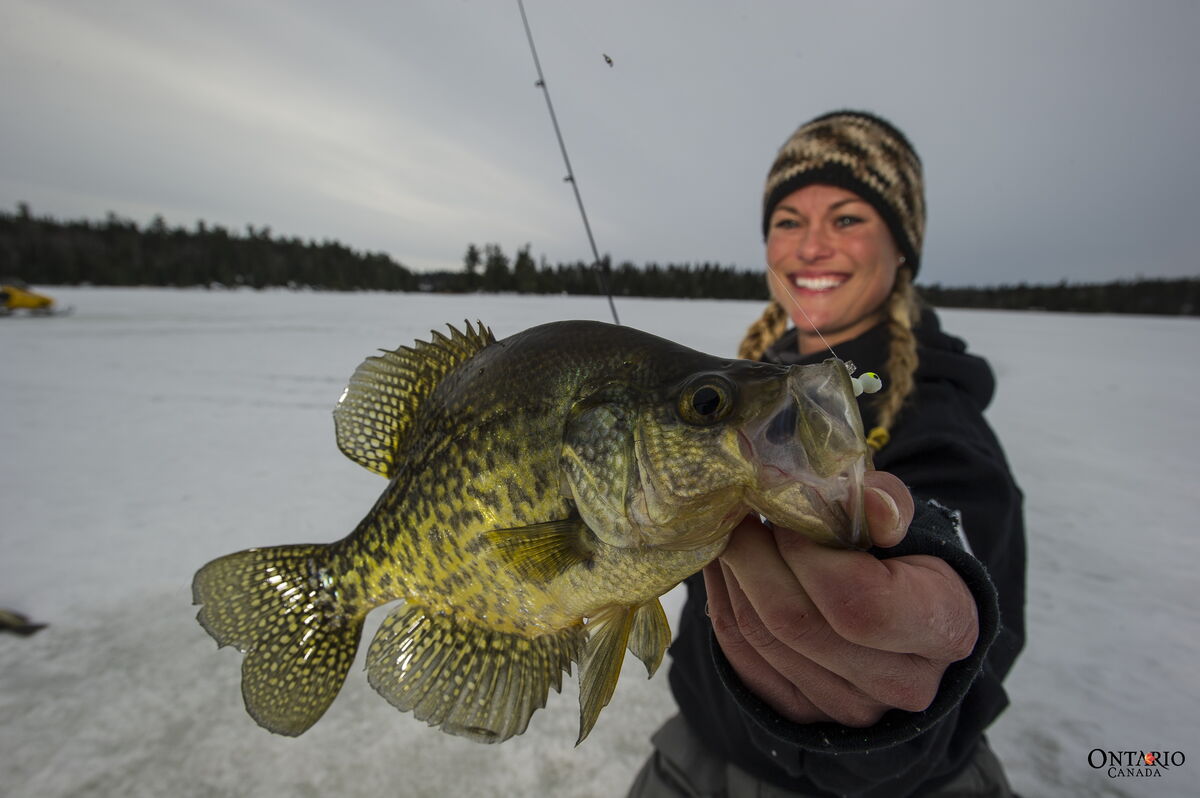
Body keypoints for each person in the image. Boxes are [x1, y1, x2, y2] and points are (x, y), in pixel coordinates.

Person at [628, 110, 1026, 797]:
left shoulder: (943, 419)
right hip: (694, 758)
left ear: (902, 248)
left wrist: (919, 615)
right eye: (788, 220)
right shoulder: (740, 391)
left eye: (847, 219)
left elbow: (947, 521)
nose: (811, 246)